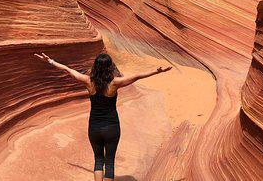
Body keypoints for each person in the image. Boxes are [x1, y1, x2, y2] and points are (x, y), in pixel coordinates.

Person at [34, 52, 172, 181]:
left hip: (94, 127)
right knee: (110, 161)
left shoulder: (88, 81)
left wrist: (50, 61)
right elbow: (137, 76)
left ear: (95, 66)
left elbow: (68, 70)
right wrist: (157, 71)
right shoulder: (115, 83)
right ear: (110, 67)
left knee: (98, 159)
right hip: (112, 127)